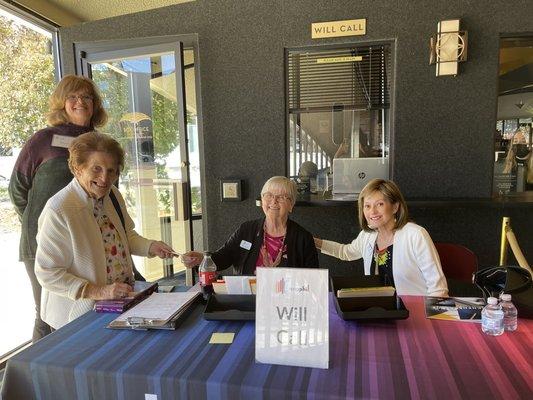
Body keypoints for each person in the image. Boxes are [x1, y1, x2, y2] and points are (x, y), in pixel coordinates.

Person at [35, 132, 176, 329]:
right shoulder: (59, 209)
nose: (105, 178)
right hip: (78, 317)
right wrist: (100, 292)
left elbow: (126, 236)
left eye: (112, 171)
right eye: (97, 169)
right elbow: (47, 273)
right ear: (78, 168)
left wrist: (151, 247)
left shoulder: (112, 195)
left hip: (119, 305)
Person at [8, 75, 107, 341]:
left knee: (86, 308)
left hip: (87, 242)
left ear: (94, 104)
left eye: (86, 97)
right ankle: (37, 378)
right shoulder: (43, 140)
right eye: (72, 96)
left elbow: (106, 193)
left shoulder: (100, 142)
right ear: (62, 103)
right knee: (47, 314)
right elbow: (17, 189)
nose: (80, 102)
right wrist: (43, 226)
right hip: (43, 244)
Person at [314, 179, 448, 296]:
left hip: (415, 314)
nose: (372, 212)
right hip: (379, 310)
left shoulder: (416, 235)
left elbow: (438, 289)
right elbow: (346, 252)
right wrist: (314, 242)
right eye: (367, 206)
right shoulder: (368, 235)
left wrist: (428, 322)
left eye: (379, 204)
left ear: (395, 207)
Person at [182, 176, 318, 274]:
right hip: (247, 299)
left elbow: (313, 280)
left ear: (291, 204)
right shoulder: (246, 229)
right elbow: (224, 257)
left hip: (285, 305)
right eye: (268, 195)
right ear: (262, 200)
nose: (274, 201)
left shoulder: (303, 238)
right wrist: (201, 259)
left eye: (282, 197)